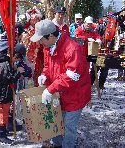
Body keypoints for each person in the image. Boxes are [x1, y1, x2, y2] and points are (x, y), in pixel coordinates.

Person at [30, 19, 91, 148]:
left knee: (69, 127)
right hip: (59, 94)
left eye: (41, 39)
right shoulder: (49, 47)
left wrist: (50, 89)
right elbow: (48, 66)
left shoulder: (72, 49)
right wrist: (44, 75)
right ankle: (57, 145)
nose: (40, 42)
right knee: (57, 121)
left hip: (75, 95)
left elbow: (71, 76)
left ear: (51, 35)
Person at [75, 16, 102, 87]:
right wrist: (87, 39)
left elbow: (97, 35)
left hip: (89, 53)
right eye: (88, 24)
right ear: (84, 23)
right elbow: (77, 37)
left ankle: (84, 84)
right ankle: (77, 84)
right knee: (79, 69)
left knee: (86, 69)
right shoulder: (79, 29)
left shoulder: (91, 30)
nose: (89, 26)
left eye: (90, 24)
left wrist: (98, 39)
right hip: (79, 54)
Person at [22, 6, 44, 86]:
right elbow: (25, 46)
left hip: (41, 60)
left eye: (37, 19)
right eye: (33, 19)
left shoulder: (42, 31)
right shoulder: (26, 32)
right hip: (29, 60)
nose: (35, 21)